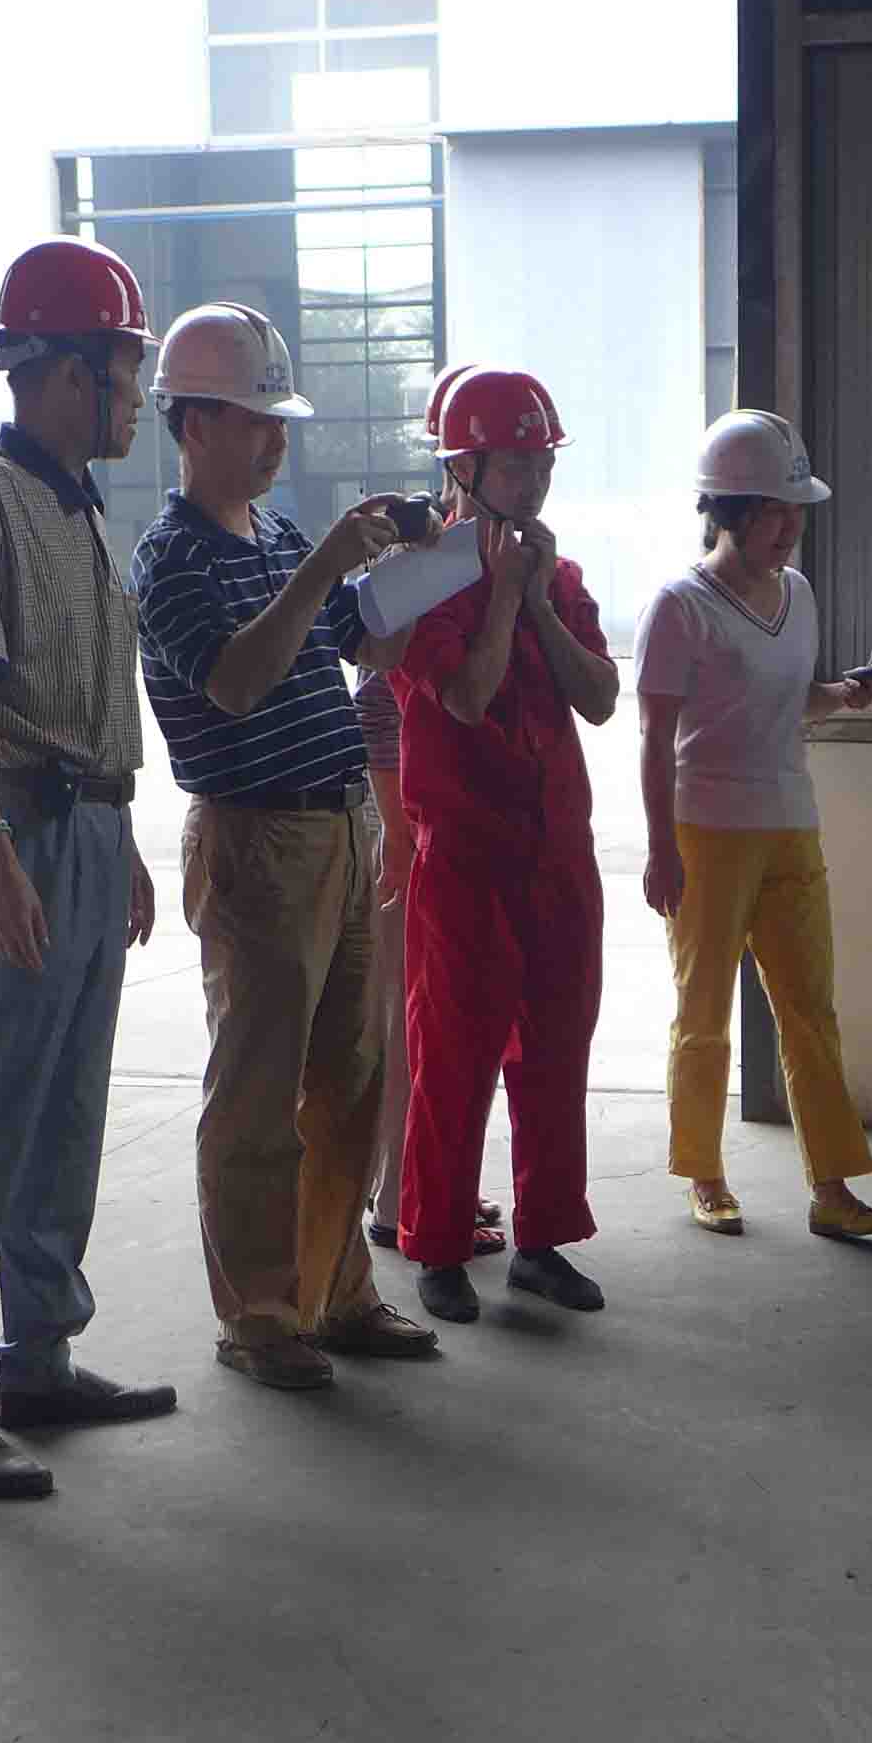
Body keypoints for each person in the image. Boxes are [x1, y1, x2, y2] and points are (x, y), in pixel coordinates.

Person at [0, 238, 174, 1501]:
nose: (136, 396)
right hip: (18, 832)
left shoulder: (82, 506)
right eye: (127, 368)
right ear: (66, 371)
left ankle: (41, 1360)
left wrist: (122, 836)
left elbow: (90, 697)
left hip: (91, 833)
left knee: (67, 1114)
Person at [131, 301, 440, 1391]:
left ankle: (332, 1292)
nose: (274, 440)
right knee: (258, 1093)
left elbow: (370, 646)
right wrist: (324, 572)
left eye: (277, 421)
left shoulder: (278, 534)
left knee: (349, 1080)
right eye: (256, 419)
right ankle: (259, 1316)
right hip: (255, 838)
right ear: (193, 423)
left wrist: (425, 565)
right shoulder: (169, 558)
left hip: (340, 823)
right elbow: (236, 682)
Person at [384, 367, 621, 1322]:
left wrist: (537, 604)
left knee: (558, 1049)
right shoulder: (417, 583)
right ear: (463, 467)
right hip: (465, 858)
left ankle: (544, 1241)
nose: (535, 483)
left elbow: (600, 699)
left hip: (559, 852)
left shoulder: (559, 579)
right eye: (517, 466)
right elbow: (468, 698)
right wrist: (501, 597)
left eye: (542, 463)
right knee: (453, 1057)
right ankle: (437, 1246)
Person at [632, 409, 872, 1241]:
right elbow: (655, 738)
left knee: (811, 1011)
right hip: (705, 831)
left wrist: (844, 695)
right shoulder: (679, 606)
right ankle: (704, 1175)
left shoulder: (799, 594)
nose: (790, 529)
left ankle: (833, 1188)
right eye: (775, 513)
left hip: (791, 823)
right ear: (729, 511)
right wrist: (659, 849)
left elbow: (789, 703)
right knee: (704, 1012)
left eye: (795, 513)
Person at [356, 365, 501, 1265]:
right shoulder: (429, 563)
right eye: (508, 461)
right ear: (460, 469)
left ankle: (431, 1186)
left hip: (462, 833)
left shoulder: (494, 558)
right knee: (413, 1030)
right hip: (414, 834)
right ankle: (394, 1201)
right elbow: (375, 703)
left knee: (453, 1030)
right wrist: (401, 834)